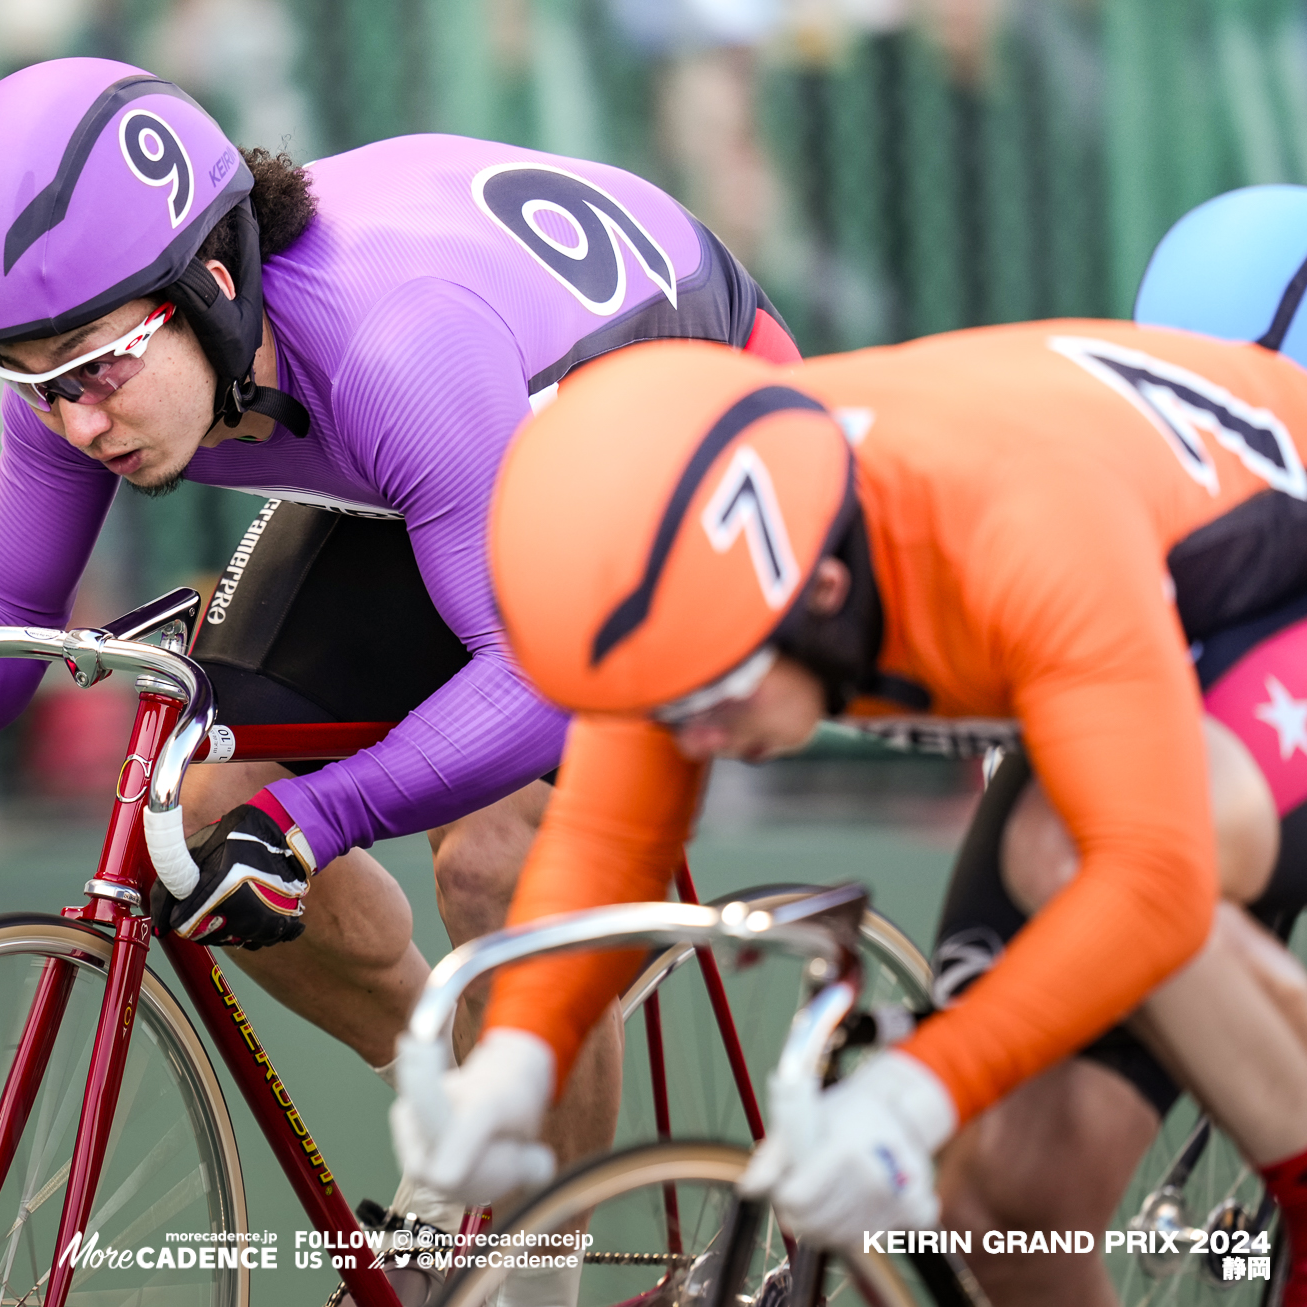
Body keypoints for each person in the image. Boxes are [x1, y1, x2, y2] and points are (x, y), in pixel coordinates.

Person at [0, 56, 799, 1305]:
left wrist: (317, 815)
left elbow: (534, 672)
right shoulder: (125, 353)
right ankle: (448, 1090)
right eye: (29, 375)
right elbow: (5, 603)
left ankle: (534, 1269)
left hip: (690, 429)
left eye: (92, 367)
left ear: (207, 279)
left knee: (495, 865)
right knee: (193, 818)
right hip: (468, 448)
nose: (75, 420)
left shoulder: (392, 349)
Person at [393, 184, 1307, 1307]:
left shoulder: (1012, 533)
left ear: (821, 589)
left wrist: (916, 1089)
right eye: (661, 712)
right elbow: (608, 839)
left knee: (1064, 860)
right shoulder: (705, 585)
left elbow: (1155, 877)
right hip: (1136, 619)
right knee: (1001, 1203)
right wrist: (514, 1062)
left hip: (1263, 585)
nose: (694, 742)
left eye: (710, 700)